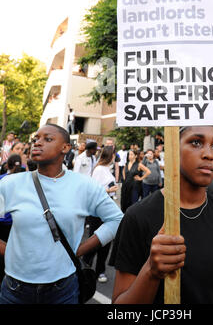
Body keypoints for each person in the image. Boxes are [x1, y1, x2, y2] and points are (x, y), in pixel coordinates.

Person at [109, 126, 213, 304]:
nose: (209, 154)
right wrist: (151, 271)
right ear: (173, 149)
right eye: (196, 143)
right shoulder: (137, 217)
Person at [0, 124, 123, 304]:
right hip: (14, 289)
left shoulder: (85, 186)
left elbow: (117, 219)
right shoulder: (11, 184)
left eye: (47, 139)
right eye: (36, 139)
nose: (37, 143)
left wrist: (81, 249)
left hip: (62, 290)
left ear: (65, 148)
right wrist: (8, 250)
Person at [83, 145, 120, 284]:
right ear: (110, 155)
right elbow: (94, 190)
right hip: (98, 210)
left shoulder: (105, 169)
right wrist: (110, 189)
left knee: (106, 240)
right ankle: (85, 265)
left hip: (107, 208)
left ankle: (100, 269)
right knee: (96, 239)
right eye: (114, 154)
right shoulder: (99, 169)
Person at [0, 154, 24, 283]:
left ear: (7, 165)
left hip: (2, 223)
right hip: (17, 225)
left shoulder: (2, 180)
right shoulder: (25, 181)